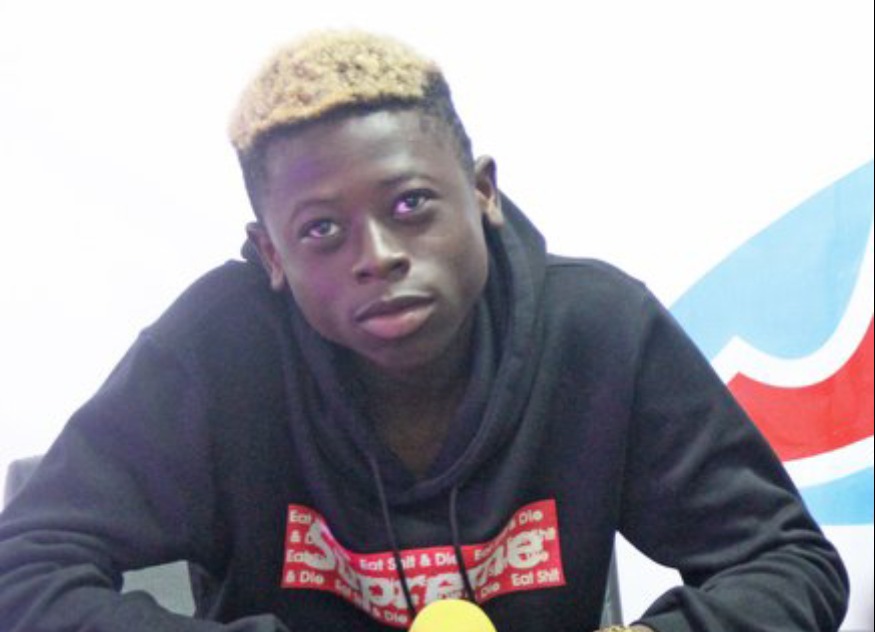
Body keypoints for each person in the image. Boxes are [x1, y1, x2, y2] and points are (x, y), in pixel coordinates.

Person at [0, 30, 849, 632]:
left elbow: (785, 562)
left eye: (410, 204)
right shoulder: (219, 350)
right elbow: (25, 569)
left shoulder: (598, 331)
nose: (377, 256)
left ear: (480, 192)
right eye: (321, 231)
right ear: (271, 255)